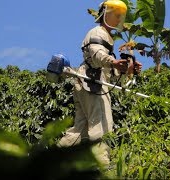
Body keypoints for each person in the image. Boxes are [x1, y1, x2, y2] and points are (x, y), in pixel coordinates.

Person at [57, 0, 142, 167]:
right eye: (115, 14)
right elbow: (97, 55)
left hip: (88, 82)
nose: (118, 19)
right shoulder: (97, 32)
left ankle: (55, 157)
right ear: (105, 14)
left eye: (120, 16)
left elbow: (109, 71)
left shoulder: (107, 37)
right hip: (92, 82)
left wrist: (129, 68)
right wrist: (113, 61)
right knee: (102, 124)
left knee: (80, 130)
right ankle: (101, 164)